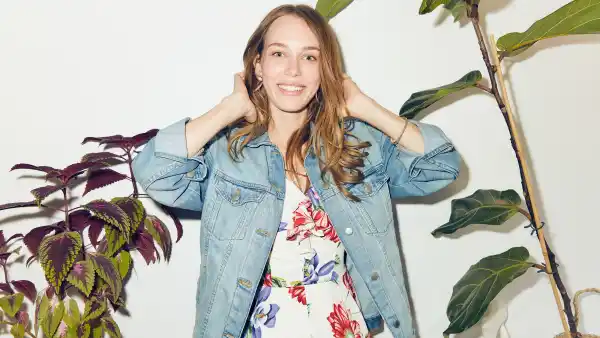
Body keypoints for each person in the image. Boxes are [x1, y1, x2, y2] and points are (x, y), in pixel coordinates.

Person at [132, 4, 460, 338]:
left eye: (309, 57)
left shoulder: (358, 146)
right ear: (258, 65)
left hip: (340, 325)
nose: (293, 71)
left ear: (324, 69)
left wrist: (366, 108)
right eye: (278, 54)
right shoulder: (226, 152)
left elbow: (441, 165)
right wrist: (228, 109)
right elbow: (155, 171)